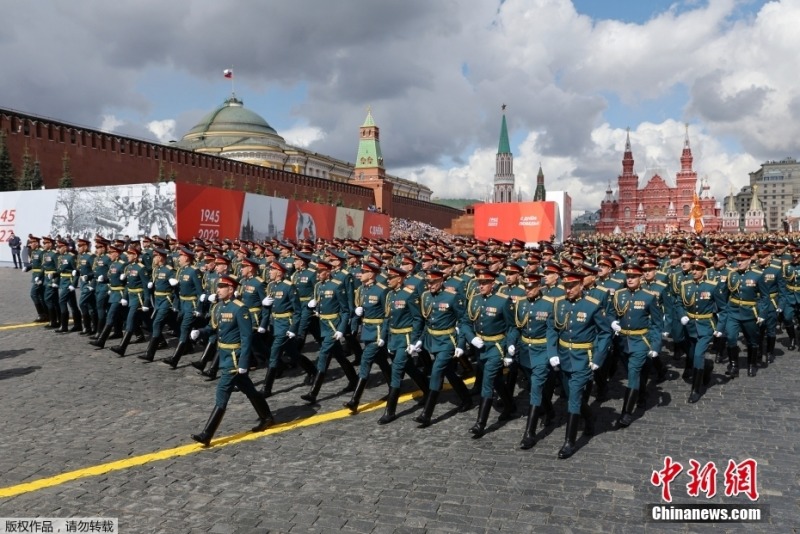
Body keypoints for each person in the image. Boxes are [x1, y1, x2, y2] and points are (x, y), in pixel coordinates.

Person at [190, 274, 274, 446]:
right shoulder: (219, 307)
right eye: (218, 287)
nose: (218, 290)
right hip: (224, 354)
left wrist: (244, 363)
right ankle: (266, 416)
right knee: (248, 388)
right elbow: (212, 327)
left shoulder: (240, 309)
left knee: (222, 391)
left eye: (222, 287)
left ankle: (207, 433)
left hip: (235, 358)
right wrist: (200, 332)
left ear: (231, 289)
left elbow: (246, 337)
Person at [546, 271, 612, 459]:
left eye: (572, 286)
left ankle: (569, 442)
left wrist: (598, 357)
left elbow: (605, 332)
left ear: (581, 286)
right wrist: (552, 353)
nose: (568, 290)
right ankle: (590, 417)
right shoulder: (559, 303)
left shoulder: (592, 305)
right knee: (570, 395)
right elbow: (552, 328)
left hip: (584, 357)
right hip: (563, 356)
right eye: (566, 286)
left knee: (574, 396)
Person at [461, 268, 516, 438]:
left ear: (492, 284)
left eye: (485, 283)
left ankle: (480, 423)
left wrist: (510, 347)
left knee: (487, 382)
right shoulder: (474, 300)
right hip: (480, 347)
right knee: (497, 380)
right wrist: (470, 338)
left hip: (496, 346)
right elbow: (465, 322)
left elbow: (512, 326)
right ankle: (510, 405)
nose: (481, 286)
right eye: (479, 283)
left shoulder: (502, 301)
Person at [610, 263, 663, 426]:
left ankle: (626, 413)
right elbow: (612, 312)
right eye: (628, 276)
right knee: (632, 371)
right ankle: (641, 394)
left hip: (640, 341)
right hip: (622, 342)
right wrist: (612, 322)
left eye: (633, 277)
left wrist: (655, 345)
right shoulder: (619, 294)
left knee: (633, 374)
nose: (630, 279)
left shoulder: (649, 296)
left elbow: (656, 323)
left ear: (640, 278)